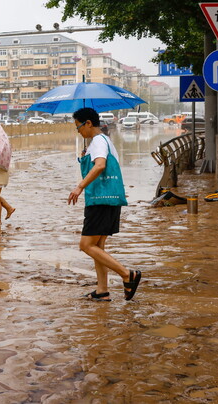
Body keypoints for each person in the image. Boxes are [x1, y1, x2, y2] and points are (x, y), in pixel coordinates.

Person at [68, 108, 141, 302]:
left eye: (78, 127)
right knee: (98, 246)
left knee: (86, 245)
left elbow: (100, 165)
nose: (78, 131)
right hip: (108, 199)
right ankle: (102, 290)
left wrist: (79, 187)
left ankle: (127, 274)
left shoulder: (99, 142)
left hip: (100, 200)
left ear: (88, 123)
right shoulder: (102, 141)